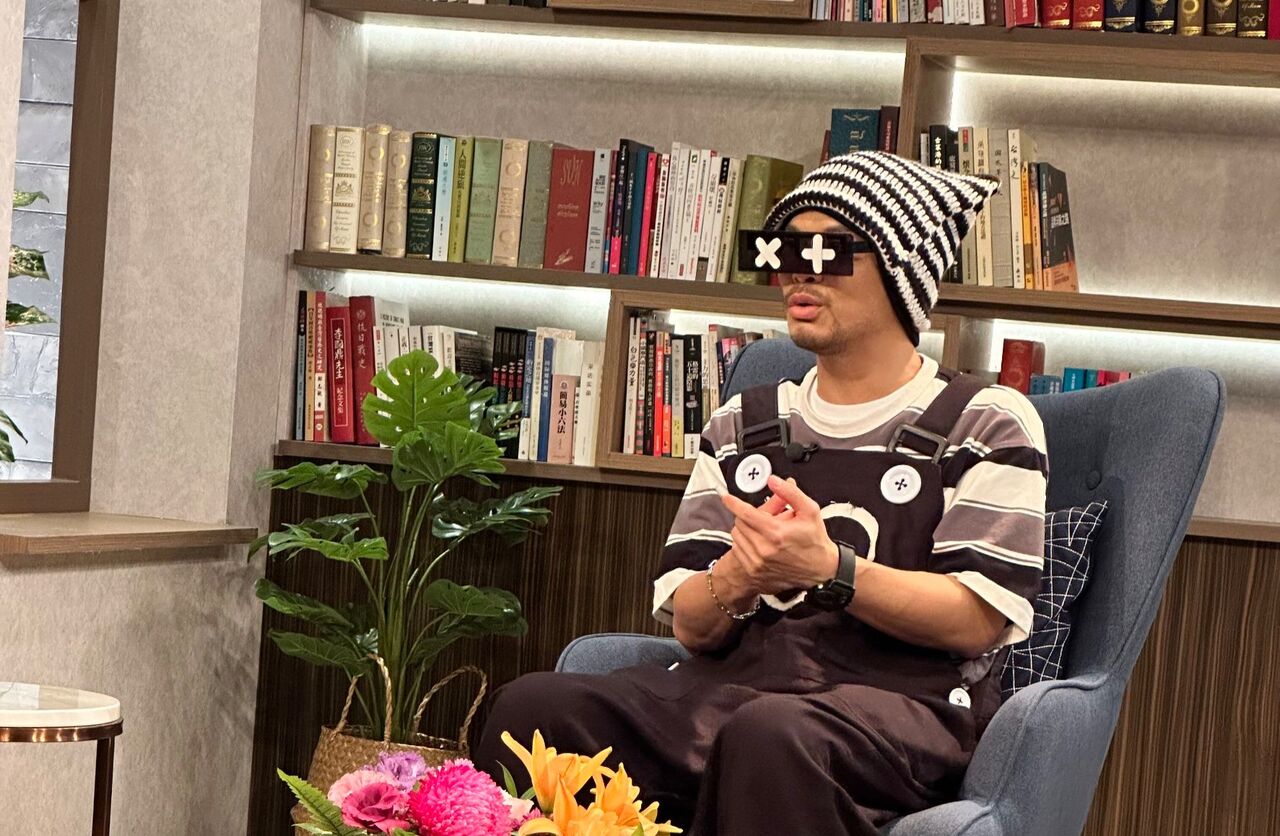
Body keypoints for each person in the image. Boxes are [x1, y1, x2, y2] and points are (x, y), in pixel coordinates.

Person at [473, 151, 1048, 835]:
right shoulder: (741, 424)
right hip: (726, 694)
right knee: (528, 712)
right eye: (783, 250)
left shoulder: (985, 420)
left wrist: (831, 569)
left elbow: (977, 618)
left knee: (769, 735)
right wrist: (741, 575)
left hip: (896, 714)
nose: (798, 272)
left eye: (828, 251)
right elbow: (691, 625)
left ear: (902, 269)